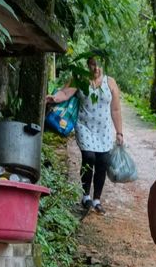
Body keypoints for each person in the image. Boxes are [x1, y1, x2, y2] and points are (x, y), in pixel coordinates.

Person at [46, 54, 123, 214]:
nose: (96, 68)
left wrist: (119, 132)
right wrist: (54, 98)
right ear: (88, 65)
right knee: (89, 157)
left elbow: (115, 109)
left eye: (99, 65)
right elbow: (65, 93)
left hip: (104, 130)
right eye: (93, 65)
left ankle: (97, 200)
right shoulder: (80, 79)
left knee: (102, 162)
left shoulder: (110, 82)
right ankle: (86, 195)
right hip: (84, 126)